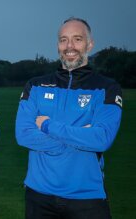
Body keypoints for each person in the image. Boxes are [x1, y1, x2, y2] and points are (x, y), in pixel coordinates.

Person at [15, 17, 123, 219]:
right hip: (39, 197)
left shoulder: (107, 87)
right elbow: (23, 135)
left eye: (77, 39)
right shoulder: (36, 85)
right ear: (58, 45)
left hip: (87, 199)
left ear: (90, 44)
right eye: (63, 40)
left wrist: (48, 125)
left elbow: (101, 138)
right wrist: (79, 137)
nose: (69, 46)